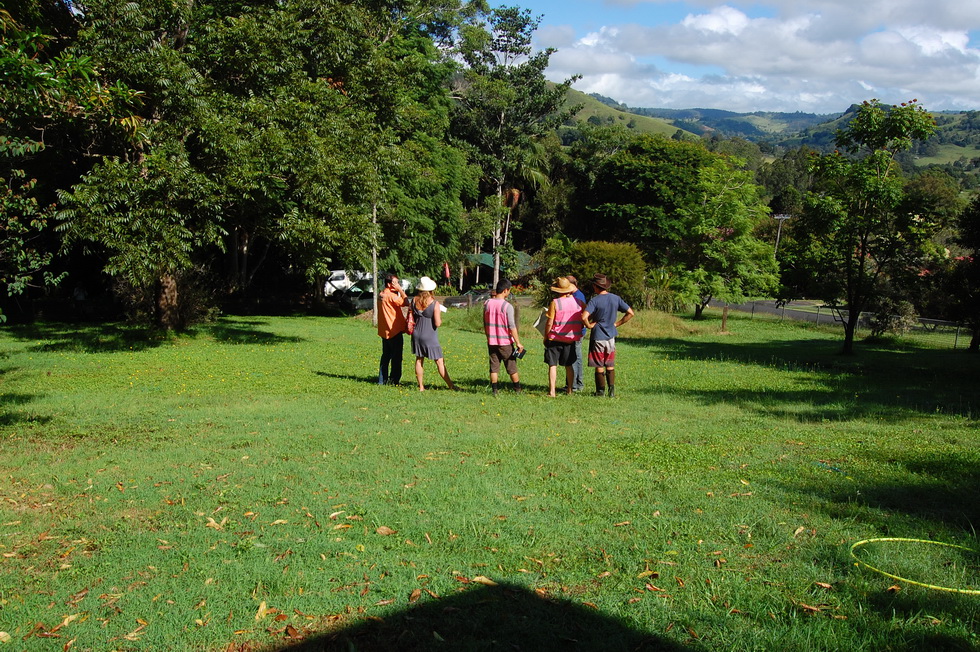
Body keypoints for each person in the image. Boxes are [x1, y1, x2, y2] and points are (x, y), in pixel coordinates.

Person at [582, 273, 634, 397]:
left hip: (598, 336)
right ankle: (611, 391)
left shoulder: (595, 300)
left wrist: (589, 325)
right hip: (611, 335)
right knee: (609, 363)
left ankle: (600, 392)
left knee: (599, 364)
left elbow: (584, 316)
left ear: (596, 286)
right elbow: (630, 313)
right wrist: (617, 323)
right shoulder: (616, 298)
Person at [410, 276, 458, 392]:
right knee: (439, 361)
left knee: (419, 359)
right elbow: (437, 323)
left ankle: (421, 386)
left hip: (416, 334)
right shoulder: (434, 303)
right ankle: (450, 385)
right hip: (429, 335)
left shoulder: (414, 300)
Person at [543, 276, 585, 397]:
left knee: (552, 365)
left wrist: (546, 336)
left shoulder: (555, 303)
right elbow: (586, 315)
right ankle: (570, 390)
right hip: (570, 339)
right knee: (569, 365)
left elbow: (549, 322)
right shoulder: (579, 303)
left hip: (555, 338)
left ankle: (552, 391)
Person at [484, 279, 525, 396]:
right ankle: (517, 389)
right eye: (509, 291)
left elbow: (484, 321)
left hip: (491, 341)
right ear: (505, 290)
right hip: (505, 342)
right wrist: (518, 343)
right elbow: (512, 326)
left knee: (494, 366)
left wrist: (488, 336)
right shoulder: (507, 306)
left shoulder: (487, 303)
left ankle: (494, 390)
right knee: (511, 366)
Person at [377, 272, 407, 385]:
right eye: (396, 283)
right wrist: (400, 290)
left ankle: (382, 380)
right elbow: (406, 302)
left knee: (385, 356)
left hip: (385, 331)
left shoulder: (382, 294)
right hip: (394, 331)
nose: (398, 284)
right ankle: (394, 380)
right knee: (396, 358)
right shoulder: (392, 296)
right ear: (390, 284)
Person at [565, 275, 587, 392]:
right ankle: (572, 383)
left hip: (577, 331)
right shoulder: (574, 295)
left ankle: (576, 384)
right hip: (573, 330)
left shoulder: (578, 297)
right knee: (574, 356)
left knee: (575, 357)